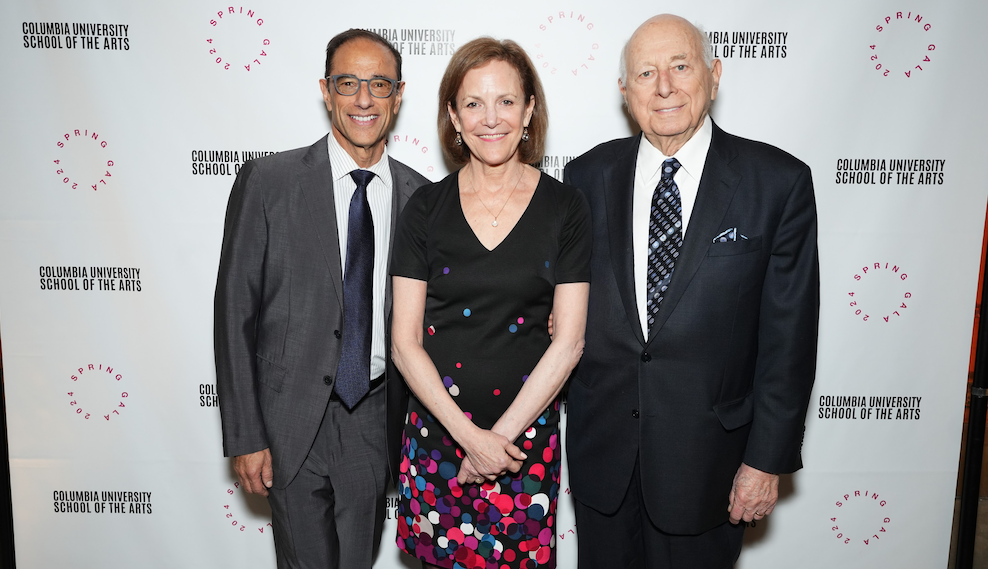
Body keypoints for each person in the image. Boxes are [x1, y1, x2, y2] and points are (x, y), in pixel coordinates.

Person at [563, 14, 819, 568]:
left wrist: (765, 460)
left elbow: (789, 339)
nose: (664, 87)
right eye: (646, 73)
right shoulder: (584, 178)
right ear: (624, 91)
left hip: (711, 467)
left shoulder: (778, 182)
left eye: (680, 66)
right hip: (603, 461)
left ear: (714, 73)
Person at [214, 29, 428, 569]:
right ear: (326, 90)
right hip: (288, 421)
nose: (363, 99)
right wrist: (244, 434)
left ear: (398, 96)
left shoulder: (423, 197)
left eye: (378, 84)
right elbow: (234, 312)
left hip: (376, 418)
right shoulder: (268, 181)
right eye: (348, 83)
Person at [389, 38, 591, 569]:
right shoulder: (424, 208)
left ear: (529, 110)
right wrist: (467, 438)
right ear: (453, 116)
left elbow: (569, 342)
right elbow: (404, 344)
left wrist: (494, 443)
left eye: (506, 101)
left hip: (522, 449)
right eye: (473, 103)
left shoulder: (565, 208)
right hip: (438, 441)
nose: (490, 118)